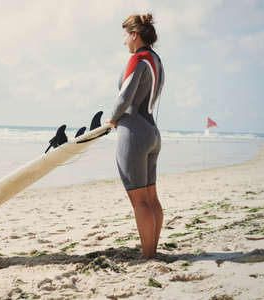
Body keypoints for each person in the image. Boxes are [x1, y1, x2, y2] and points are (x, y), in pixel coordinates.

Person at [107, 13, 165, 259]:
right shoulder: (156, 60)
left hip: (134, 133)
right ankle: (152, 251)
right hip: (152, 131)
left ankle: (147, 256)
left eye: (125, 35)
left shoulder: (137, 58)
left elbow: (125, 97)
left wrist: (111, 118)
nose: (124, 42)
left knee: (139, 201)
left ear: (135, 35)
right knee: (151, 198)